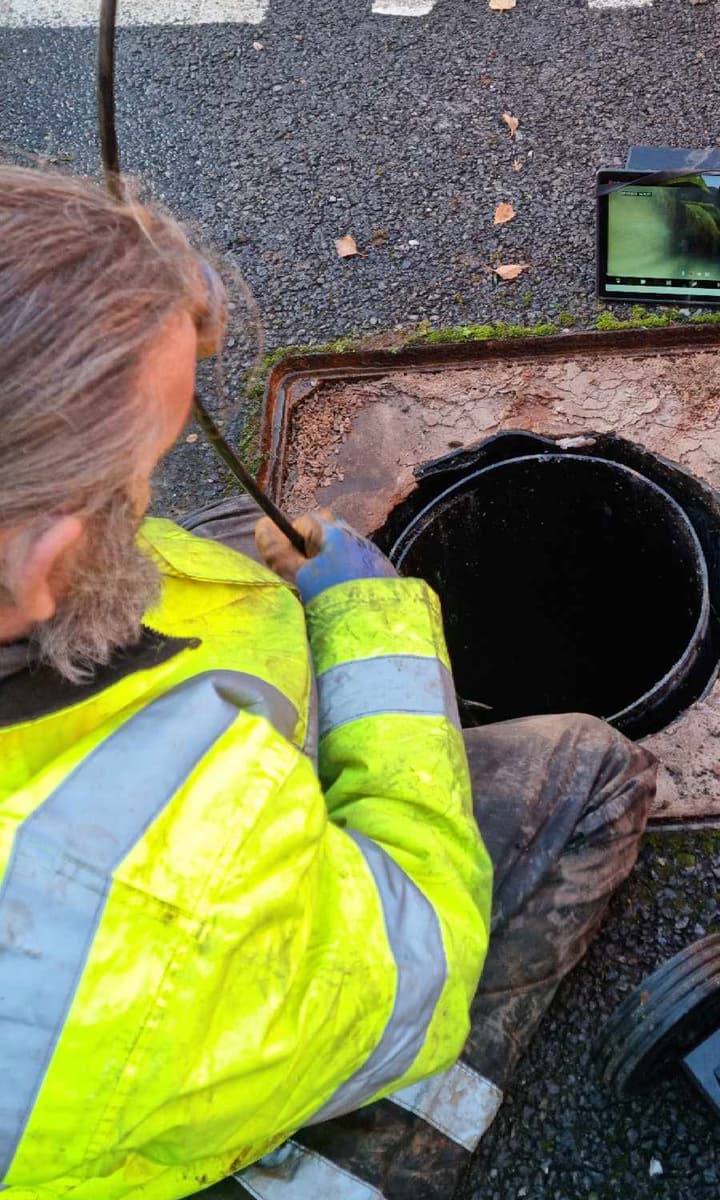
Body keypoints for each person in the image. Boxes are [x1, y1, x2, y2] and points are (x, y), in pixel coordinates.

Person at [0, 165, 656, 1200]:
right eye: (142, 475)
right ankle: (348, 1166)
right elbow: (421, 947)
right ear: (40, 569)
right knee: (590, 778)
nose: (152, 495)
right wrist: (372, 626)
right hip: (134, 1082)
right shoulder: (177, 887)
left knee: (227, 559)